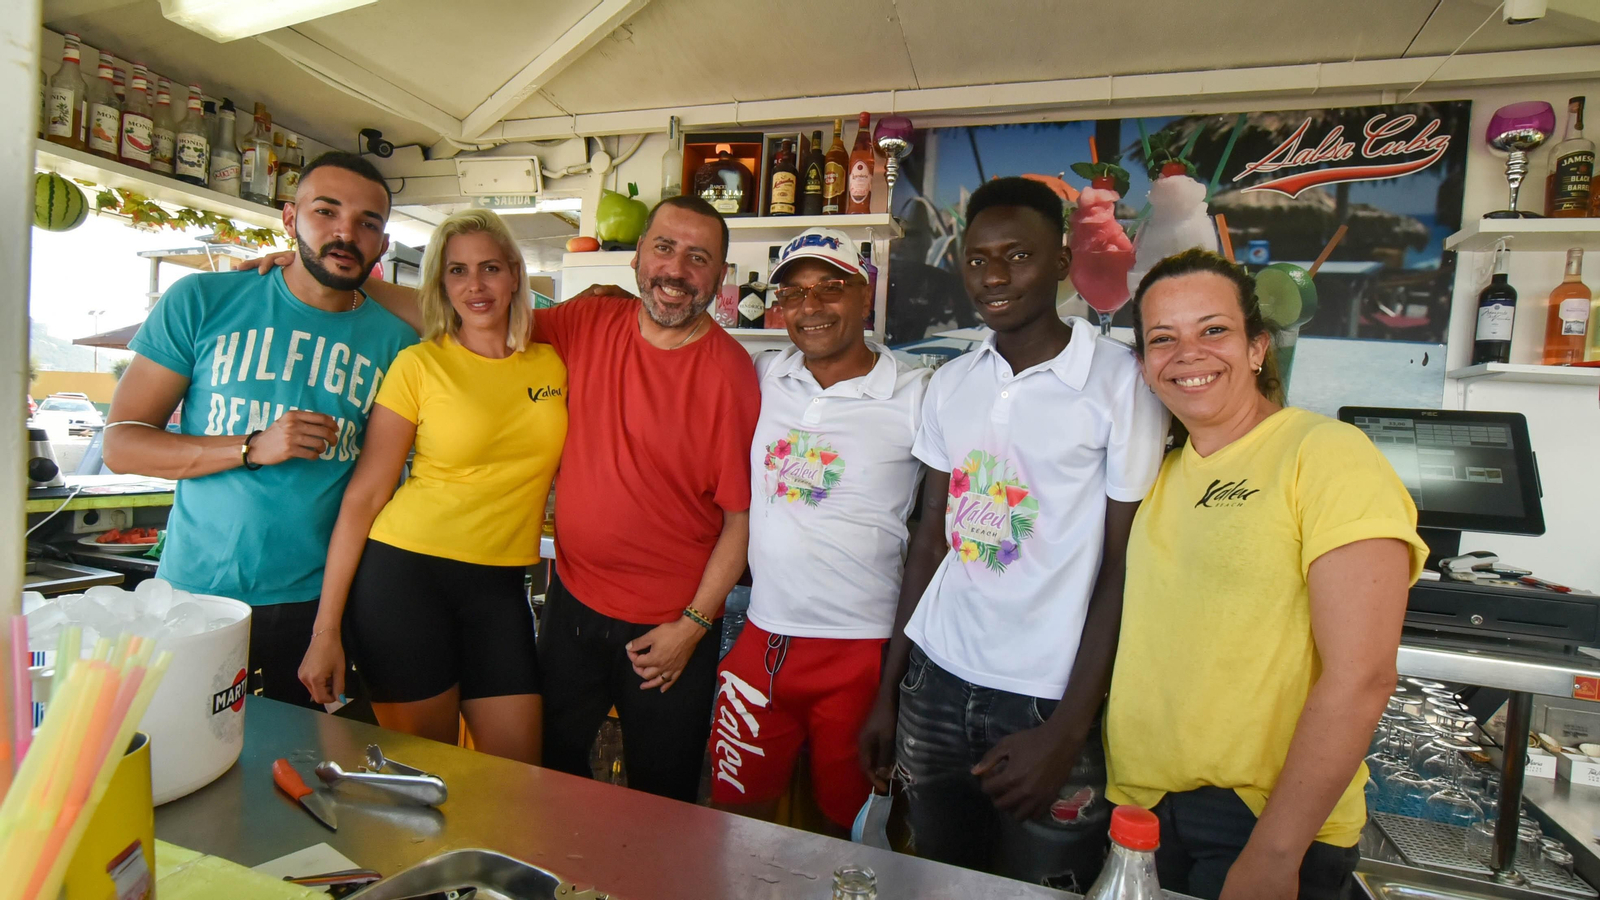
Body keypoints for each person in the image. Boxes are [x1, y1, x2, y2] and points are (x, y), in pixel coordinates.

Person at [279, 195, 759, 799]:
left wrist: (693, 624)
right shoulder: (577, 328)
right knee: (508, 778)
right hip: (533, 600)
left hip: (635, 617)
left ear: (719, 276)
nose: (675, 269)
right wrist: (318, 276)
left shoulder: (722, 371)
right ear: (637, 255)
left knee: (649, 793)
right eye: (663, 247)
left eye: (698, 257)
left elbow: (742, 517)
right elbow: (465, 313)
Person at [857, 177, 1168, 890]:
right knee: (938, 883)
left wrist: (1066, 731)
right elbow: (930, 542)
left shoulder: (1120, 383)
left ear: (1062, 263)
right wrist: (889, 686)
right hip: (934, 684)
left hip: (1045, 700)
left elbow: (1125, 566)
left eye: (1018, 255)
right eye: (977, 259)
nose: (994, 276)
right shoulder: (953, 384)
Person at [1104, 249, 1427, 900]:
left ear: (1257, 348)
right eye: (1163, 338)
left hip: (1260, 823)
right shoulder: (1158, 474)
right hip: (1143, 811)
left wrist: (1276, 853)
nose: (1188, 353)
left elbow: (1363, 676)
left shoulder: (1325, 454)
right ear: (1142, 365)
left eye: (1213, 330)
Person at [105, 152, 417, 710]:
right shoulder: (202, 301)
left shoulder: (398, 343)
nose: (346, 232)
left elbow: (478, 316)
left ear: (382, 246)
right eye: (326, 212)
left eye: (367, 223)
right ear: (290, 219)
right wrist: (250, 447)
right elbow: (121, 444)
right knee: (188, 768)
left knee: (308, 778)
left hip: (321, 608)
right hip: (195, 598)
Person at [296, 209, 564, 763]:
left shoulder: (551, 364)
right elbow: (366, 496)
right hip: (406, 580)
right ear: (441, 283)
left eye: (490, 267)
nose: (475, 285)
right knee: (425, 777)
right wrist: (327, 630)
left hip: (500, 588)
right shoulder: (419, 365)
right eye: (457, 271)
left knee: (520, 775)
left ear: (515, 274)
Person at [711, 228, 930, 832]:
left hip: (859, 652)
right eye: (795, 293)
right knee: (734, 816)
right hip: (760, 637)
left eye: (831, 288)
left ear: (865, 296)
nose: (811, 307)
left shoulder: (915, 394)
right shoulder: (763, 376)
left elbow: (940, 524)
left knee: (852, 829)